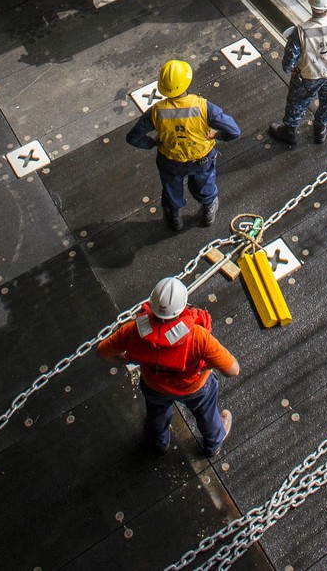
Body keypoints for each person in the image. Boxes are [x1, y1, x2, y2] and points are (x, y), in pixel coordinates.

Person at [97, 276, 239, 457]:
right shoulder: (198, 337)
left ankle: (159, 443)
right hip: (195, 388)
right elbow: (233, 370)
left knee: (156, 415)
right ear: (183, 306)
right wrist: (203, 366)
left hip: (153, 386)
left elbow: (102, 352)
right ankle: (213, 444)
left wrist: (128, 359)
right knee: (206, 415)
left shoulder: (132, 331)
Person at [126, 59, 240, 231]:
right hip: (201, 159)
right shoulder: (204, 107)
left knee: (171, 189)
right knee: (205, 185)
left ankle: (174, 219)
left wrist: (152, 143)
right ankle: (208, 212)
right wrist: (217, 135)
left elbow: (133, 138)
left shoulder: (156, 112)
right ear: (186, 83)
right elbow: (234, 131)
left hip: (170, 161)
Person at [269, 0, 327, 147]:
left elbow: (290, 58)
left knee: (297, 102)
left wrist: (290, 69)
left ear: (311, 5)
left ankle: (289, 132)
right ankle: (320, 131)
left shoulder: (301, 31)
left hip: (308, 77)